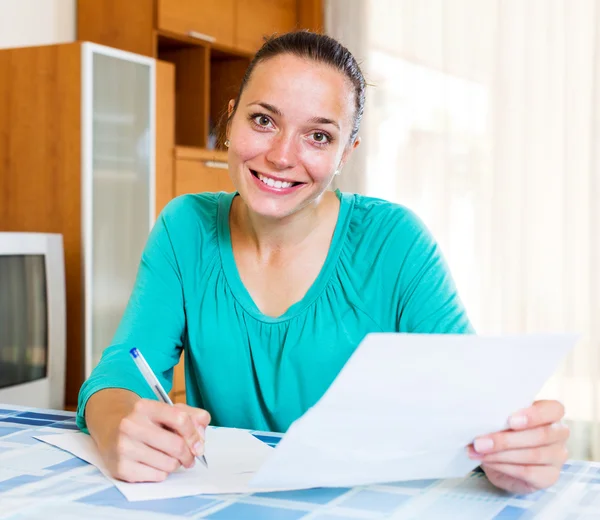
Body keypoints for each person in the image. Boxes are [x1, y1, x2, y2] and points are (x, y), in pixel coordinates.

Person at [77, 30, 569, 495]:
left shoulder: (395, 243)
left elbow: (474, 409)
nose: (281, 156)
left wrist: (516, 452)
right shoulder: (184, 228)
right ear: (231, 121)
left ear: (346, 153)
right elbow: (123, 368)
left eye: (318, 136)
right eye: (264, 120)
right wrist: (118, 420)